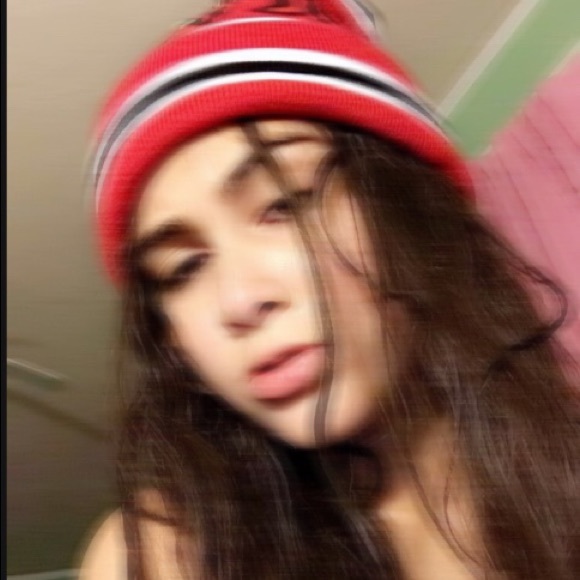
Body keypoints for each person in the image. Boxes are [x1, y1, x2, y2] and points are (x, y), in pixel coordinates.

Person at [79, 0, 580, 578]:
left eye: (283, 204)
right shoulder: (161, 556)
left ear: (412, 212)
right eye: (183, 269)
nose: (238, 301)